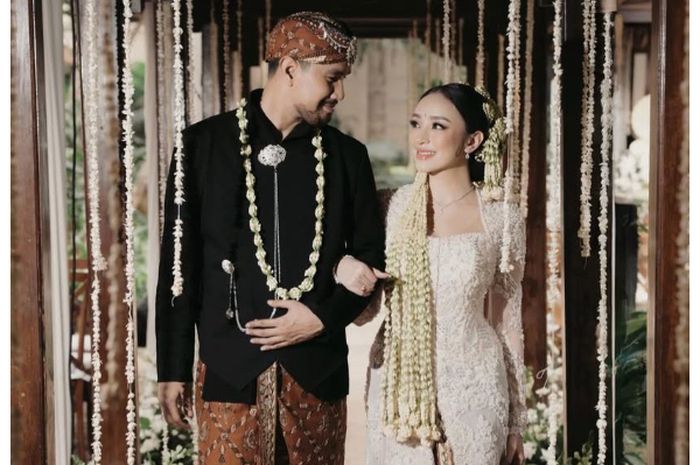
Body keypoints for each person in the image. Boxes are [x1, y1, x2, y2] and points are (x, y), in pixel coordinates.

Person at [155, 12, 386, 465]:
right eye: (333, 78)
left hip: (317, 375)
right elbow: (179, 264)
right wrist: (173, 367)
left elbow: (370, 257)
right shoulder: (202, 147)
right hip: (228, 373)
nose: (339, 93)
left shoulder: (347, 158)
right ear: (291, 69)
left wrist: (321, 318)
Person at [336, 83, 527, 465]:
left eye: (438, 126)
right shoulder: (389, 208)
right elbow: (364, 313)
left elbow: (507, 321)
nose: (421, 137)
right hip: (398, 386)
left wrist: (516, 422)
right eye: (415, 123)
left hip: (476, 385)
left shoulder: (501, 217)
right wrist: (342, 268)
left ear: (472, 141)